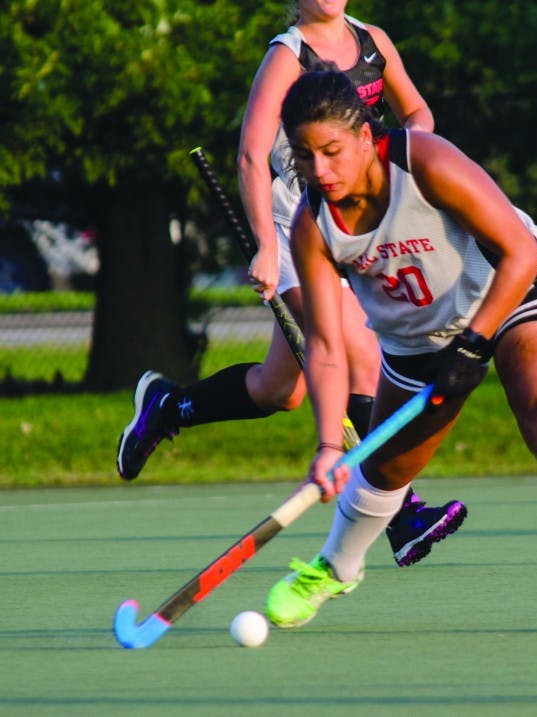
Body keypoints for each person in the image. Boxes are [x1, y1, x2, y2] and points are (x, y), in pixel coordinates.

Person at [260, 67, 537, 629]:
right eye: (305, 157)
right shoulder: (313, 226)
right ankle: (335, 567)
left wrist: (475, 344)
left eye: (332, 151)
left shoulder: (423, 162)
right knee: (385, 468)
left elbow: (520, 252)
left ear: (364, 136)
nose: (320, 170)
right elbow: (327, 345)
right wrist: (330, 443)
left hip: (516, 290)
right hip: (417, 338)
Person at [115, 0, 466, 568]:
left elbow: (417, 112)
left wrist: (405, 160)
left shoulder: (372, 42)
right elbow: (253, 157)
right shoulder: (287, 54)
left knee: (284, 388)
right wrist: (267, 244)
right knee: (357, 351)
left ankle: (169, 405)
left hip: (352, 219)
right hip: (294, 223)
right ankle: (402, 513)